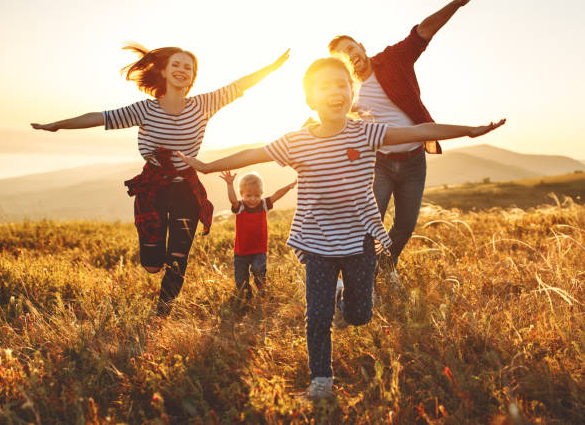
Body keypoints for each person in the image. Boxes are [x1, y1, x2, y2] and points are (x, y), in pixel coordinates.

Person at [177, 56, 504, 399]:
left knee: (360, 316)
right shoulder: (297, 141)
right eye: (325, 86)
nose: (335, 90)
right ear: (310, 99)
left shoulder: (366, 132)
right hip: (317, 241)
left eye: (342, 84)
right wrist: (208, 165)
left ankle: (342, 300)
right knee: (317, 316)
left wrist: (469, 130)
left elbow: (419, 131)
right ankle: (321, 380)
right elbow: (253, 154)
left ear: (352, 93)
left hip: (361, 240)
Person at [31, 44, 289, 315]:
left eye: (188, 67)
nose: (182, 70)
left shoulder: (203, 105)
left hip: (186, 190)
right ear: (164, 71)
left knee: (179, 258)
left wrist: (271, 69)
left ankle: (161, 313)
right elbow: (99, 117)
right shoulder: (145, 109)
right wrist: (57, 124)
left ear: (192, 77)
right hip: (153, 189)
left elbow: (239, 86)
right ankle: (155, 257)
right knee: (152, 264)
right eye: (176, 65)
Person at [328, 0, 484, 285]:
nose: (350, 57)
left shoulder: (393, 58)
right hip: (380, 164)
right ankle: (359, 276)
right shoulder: (348, 90)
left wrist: (457, 3)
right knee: (369, 223)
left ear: (359, 45)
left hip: (413, 162)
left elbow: (422, 32)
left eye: (350, 49)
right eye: (342, 58)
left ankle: (386, 266)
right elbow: (336, 115)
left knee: (405, 225)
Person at [219, 171, 296, 298]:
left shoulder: (263, 204)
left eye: (257, 195)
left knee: (258, 270)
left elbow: (277, 194)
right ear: (242, 194)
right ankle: (246, 297)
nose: (253, 199)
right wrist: (229, 184)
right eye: (248, 195)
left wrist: (290, 186)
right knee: (241, 281)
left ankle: (261, 289)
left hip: (259, 250)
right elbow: (233, 200)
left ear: (261, 194)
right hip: (241, 251)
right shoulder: (241, 207)